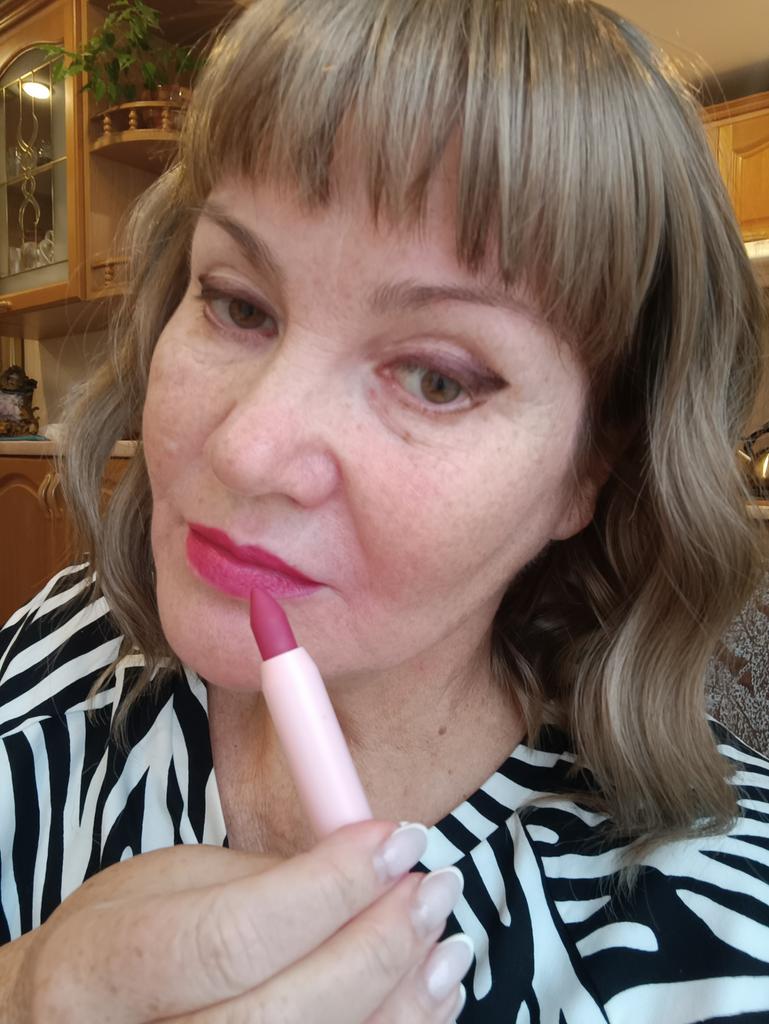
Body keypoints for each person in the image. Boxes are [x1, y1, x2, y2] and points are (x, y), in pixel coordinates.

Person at [1, 0, 769, 1020]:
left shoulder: (724, 939)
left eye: (436, 379)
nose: (244, 450)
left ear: (592, 466)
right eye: (237, 303)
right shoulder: (62, 645)